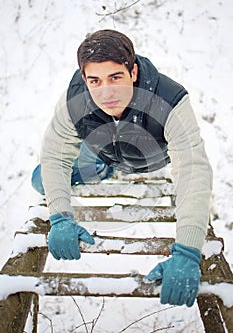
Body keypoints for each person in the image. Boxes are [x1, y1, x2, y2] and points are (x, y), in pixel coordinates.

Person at [32, 29, 213, 307]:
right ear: (84, 79)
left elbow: (193, 169)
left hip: (153, 161)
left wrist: (188, 251)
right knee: (40, 180)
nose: (106, 92)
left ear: (134, 72)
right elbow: (55, 154)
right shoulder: (75, 100)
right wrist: (59, 217)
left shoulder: (170, 100)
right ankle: (102, 168)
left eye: (115, 77)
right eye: (95, 80)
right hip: (104, 154)